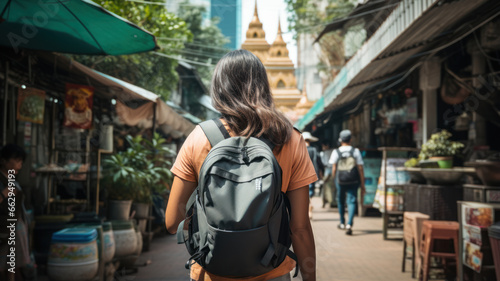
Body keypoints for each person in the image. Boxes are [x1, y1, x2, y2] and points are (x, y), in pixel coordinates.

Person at [165, 50, 317, 281]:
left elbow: (171, 222)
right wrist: (310, 278)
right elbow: (300, 228)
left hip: (211, 272)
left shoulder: (199, 138)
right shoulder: (290, 139)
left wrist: (213, 227)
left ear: (219, 88)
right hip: (272, 269)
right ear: (263, 86)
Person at [0, 144, 36, 281]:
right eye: (16, 160)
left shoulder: (12, 179)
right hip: (4, 229)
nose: (19, 165)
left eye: (21, 161)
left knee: (11, 266)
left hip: (15, 228)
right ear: (3, 161)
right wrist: (4, 194)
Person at [329, 130, 365, 235]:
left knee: (340, 201)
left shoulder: (336, 152)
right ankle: (349, 224)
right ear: (351, 139)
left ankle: (342, 223)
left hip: (340, 180)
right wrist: (362, 183)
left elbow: (334, 168)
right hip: (354, 179)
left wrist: (333, 180)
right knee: (352, 201)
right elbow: (360, 168)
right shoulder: (355, 151)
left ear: (340, 140)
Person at [302, 132, 323, 220]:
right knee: (310, 192)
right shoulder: (314, 150)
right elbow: (319, 162)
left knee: (304, 193)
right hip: (311, 174)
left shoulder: (300, 149)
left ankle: (307, 208)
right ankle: (309, 207)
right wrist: (320, 173)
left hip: (301, 175)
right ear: (310, 140)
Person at [320, 142, 335, 208]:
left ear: (327, 145)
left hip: (327, 171)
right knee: (333, 188)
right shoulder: (334, 151)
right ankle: (332, 202)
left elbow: (323, 163)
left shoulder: (323, 153)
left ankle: (325, 202)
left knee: (325, 188)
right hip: (334, 171)